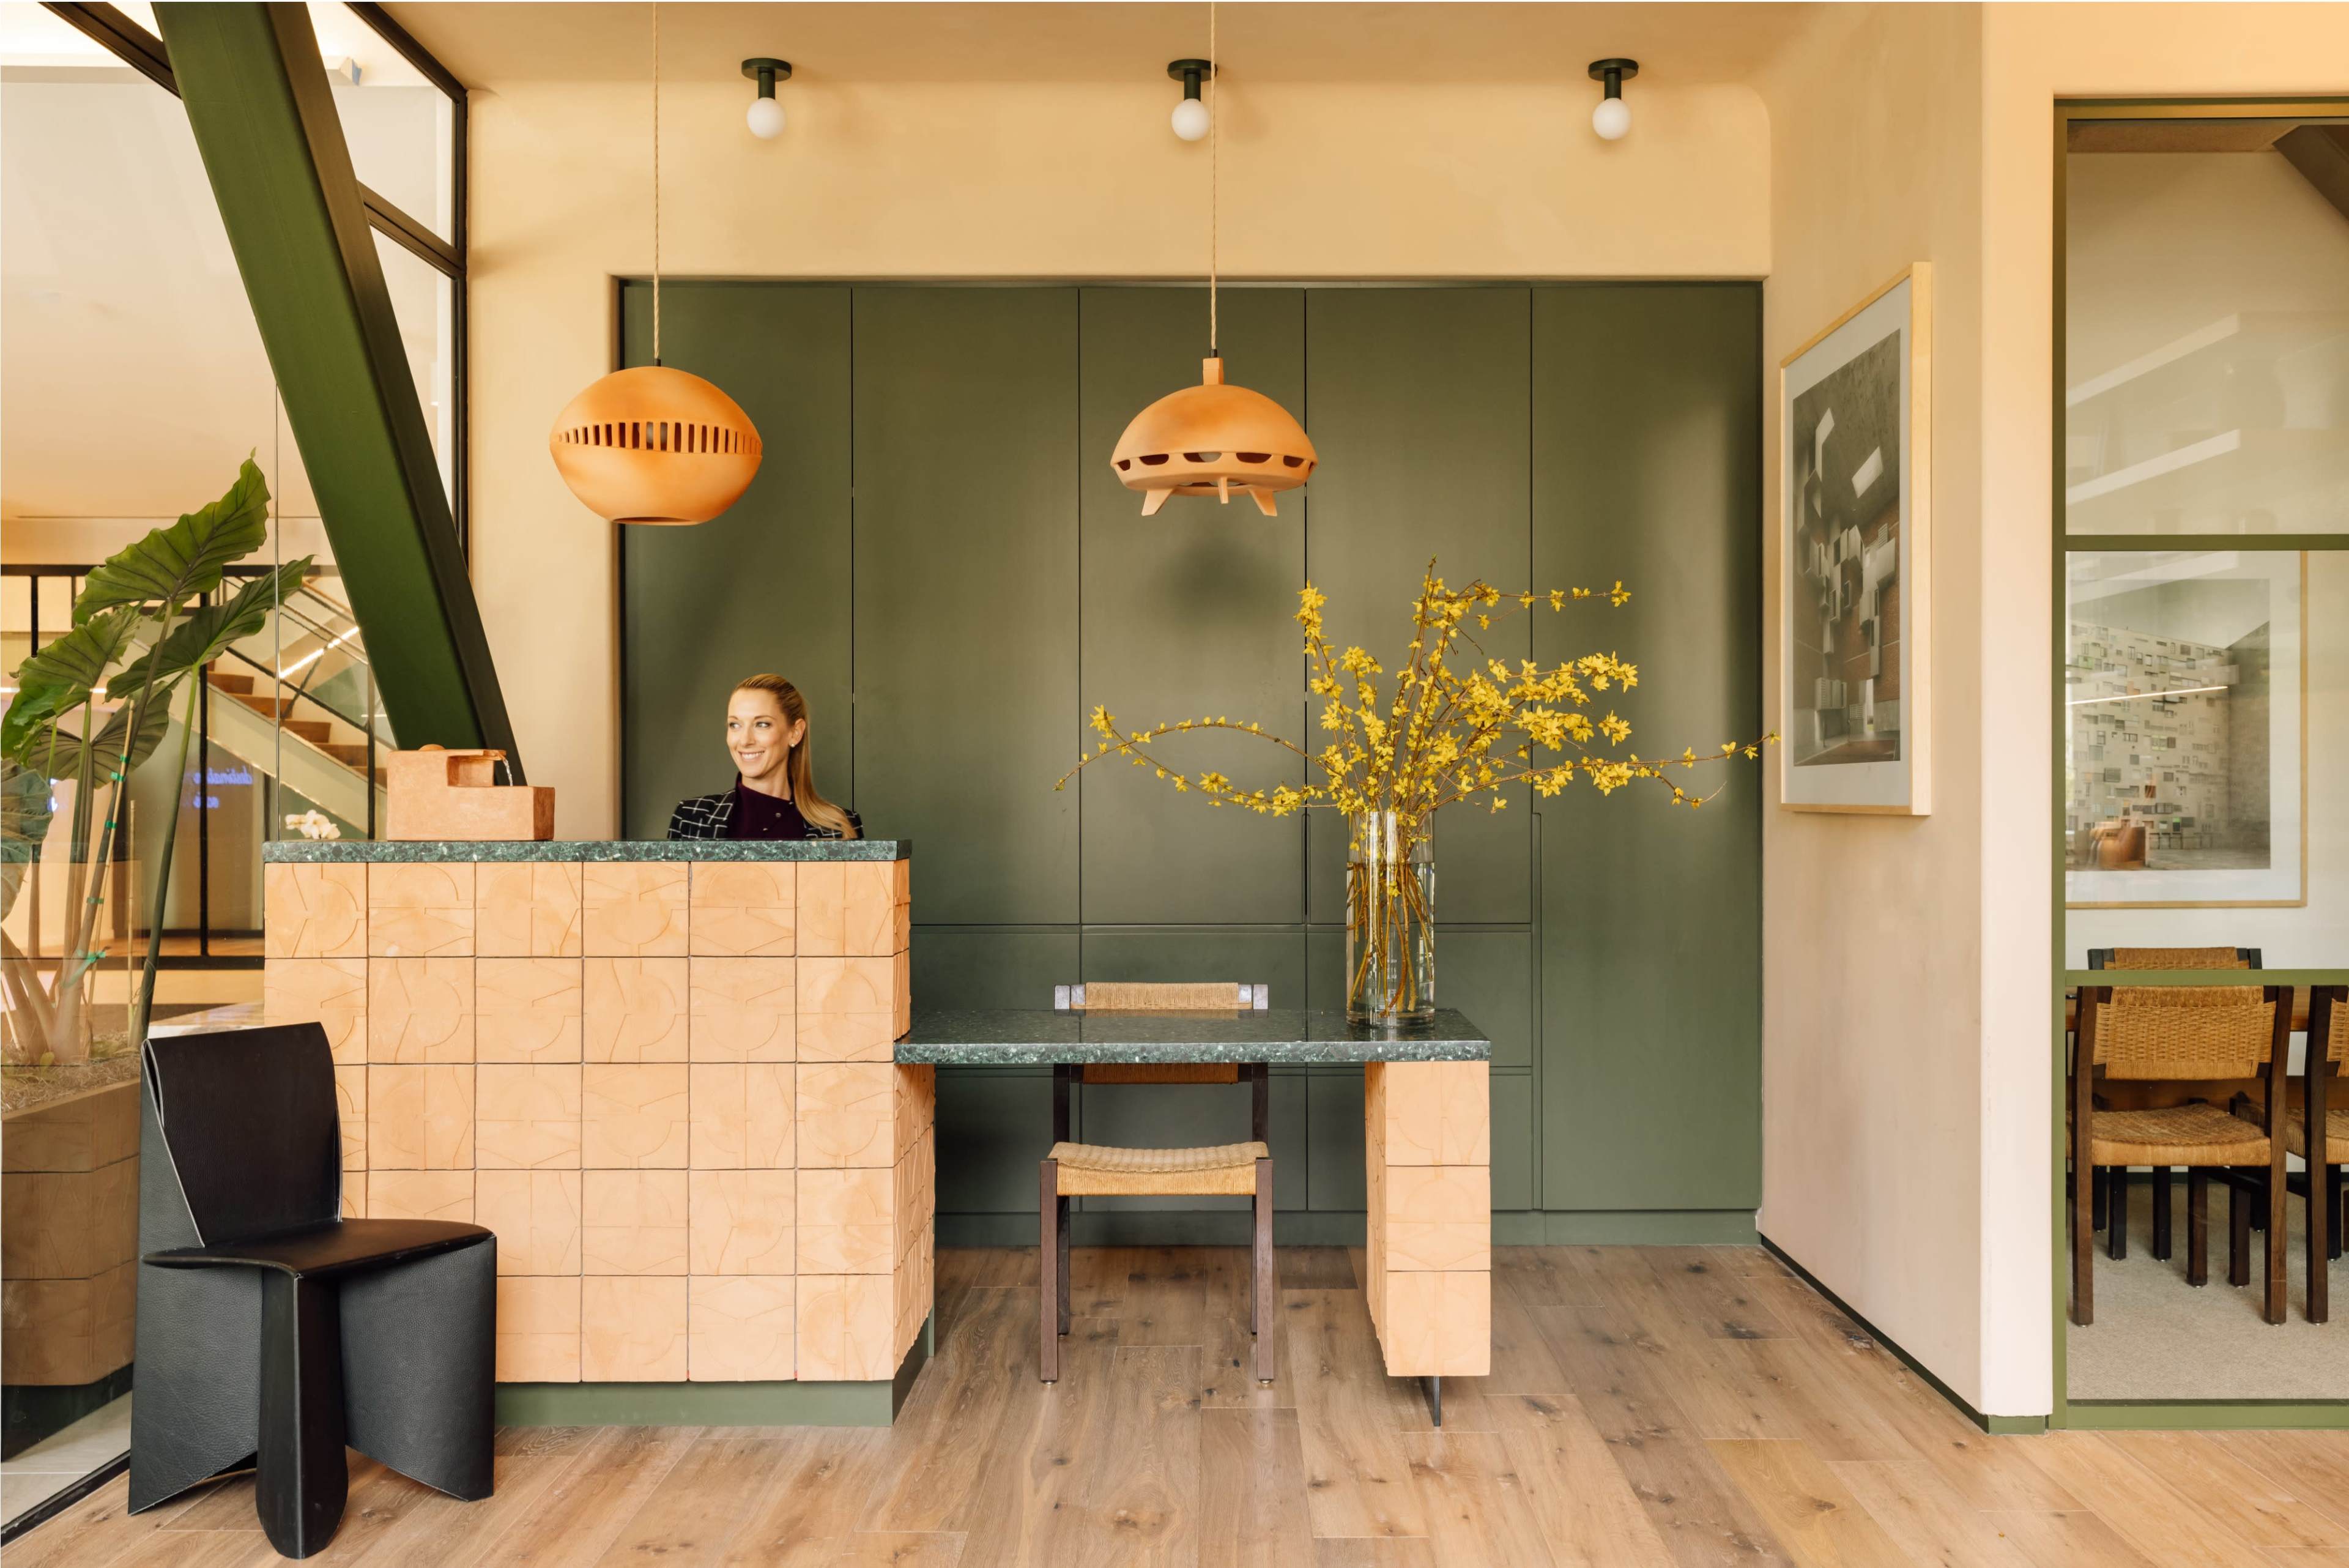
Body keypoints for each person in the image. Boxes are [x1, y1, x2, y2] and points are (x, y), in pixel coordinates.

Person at [667, 674, 861, 840]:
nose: (745, 741)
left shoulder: (839, 827)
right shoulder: (690, 818)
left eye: (762, 724)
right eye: (735, 725)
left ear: (795, 732)